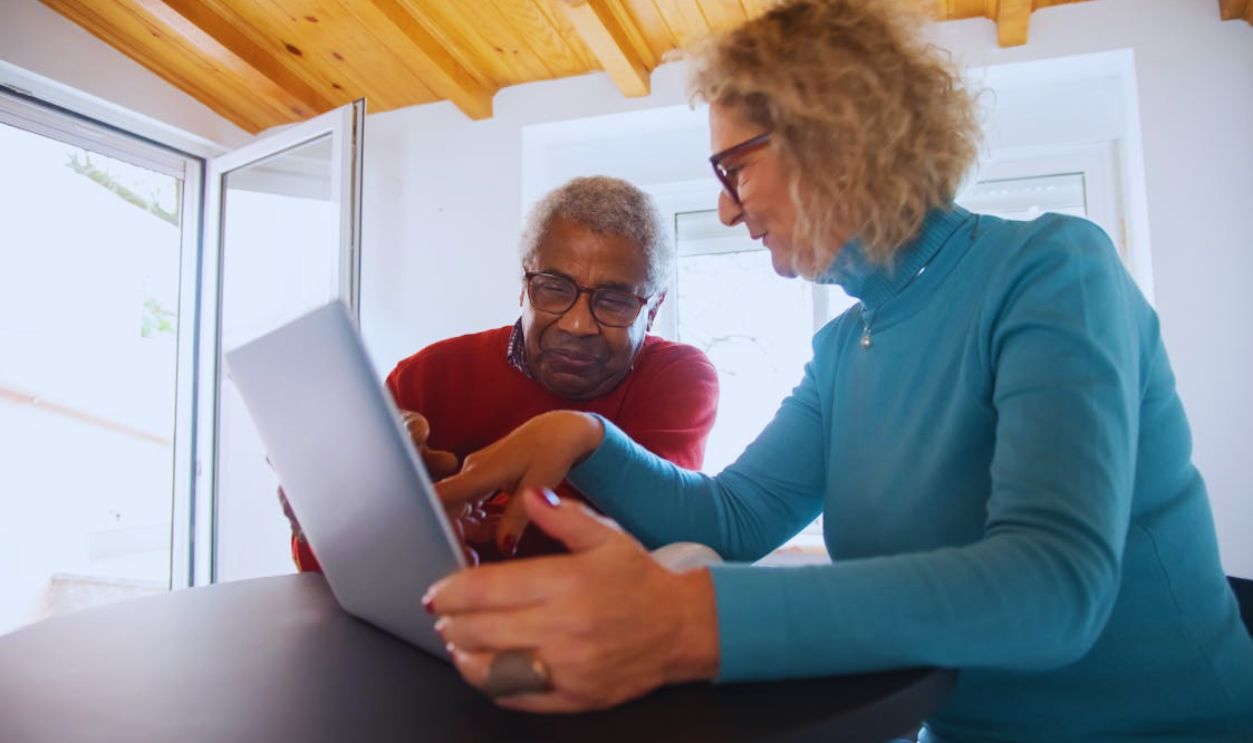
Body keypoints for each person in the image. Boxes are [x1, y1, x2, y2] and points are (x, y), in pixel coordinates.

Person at [422, 0, 1253, 739]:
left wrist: (687, 622)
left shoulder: (1051, 270)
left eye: (734, 167)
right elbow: (732, 520)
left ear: (837, 137)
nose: (725, 206)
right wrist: (584, 434)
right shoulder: (841, 348)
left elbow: (1052, 587)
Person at [286, 176, 719, 570]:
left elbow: (646, 533)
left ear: (655, 308)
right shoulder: (427, 377)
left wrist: (434, 514)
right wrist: (322, 509)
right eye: (553, 287)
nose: (577, 325)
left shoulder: (677, 378)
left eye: (614, 302)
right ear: (523, 285)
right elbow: (322, 569)